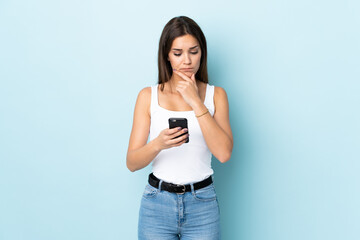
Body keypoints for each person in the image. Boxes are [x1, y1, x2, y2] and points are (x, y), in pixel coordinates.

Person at [126, 16, 233, 240]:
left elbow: (223, 153)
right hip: (156, 205)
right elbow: (132, 162)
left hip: (202, 204)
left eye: (193, 51)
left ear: (202, 52)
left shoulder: (216, 96)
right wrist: (157, 144)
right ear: (166, 55)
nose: (187, 60)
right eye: (178, 53)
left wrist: (195, 101)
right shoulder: (148, 96)